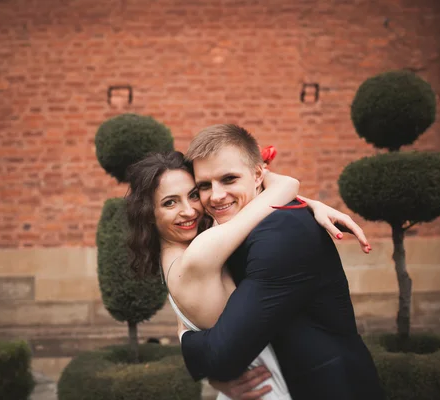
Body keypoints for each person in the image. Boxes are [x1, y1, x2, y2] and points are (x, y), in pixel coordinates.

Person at [125, 149, 373, 399]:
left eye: (192, 195)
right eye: (170, 202)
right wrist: (309, 203)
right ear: (148, 213)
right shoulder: (201, 250)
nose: (189, 211)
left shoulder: (175, 257)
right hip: (265, 387)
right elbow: (284, 186)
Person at [177, 124, 384, 400]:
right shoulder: (232, 228)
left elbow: (223, 355)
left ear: (259, 174)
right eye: (204, 185)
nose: (215, 196)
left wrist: (182, 335)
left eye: (228, 179)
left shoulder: (283, 234)